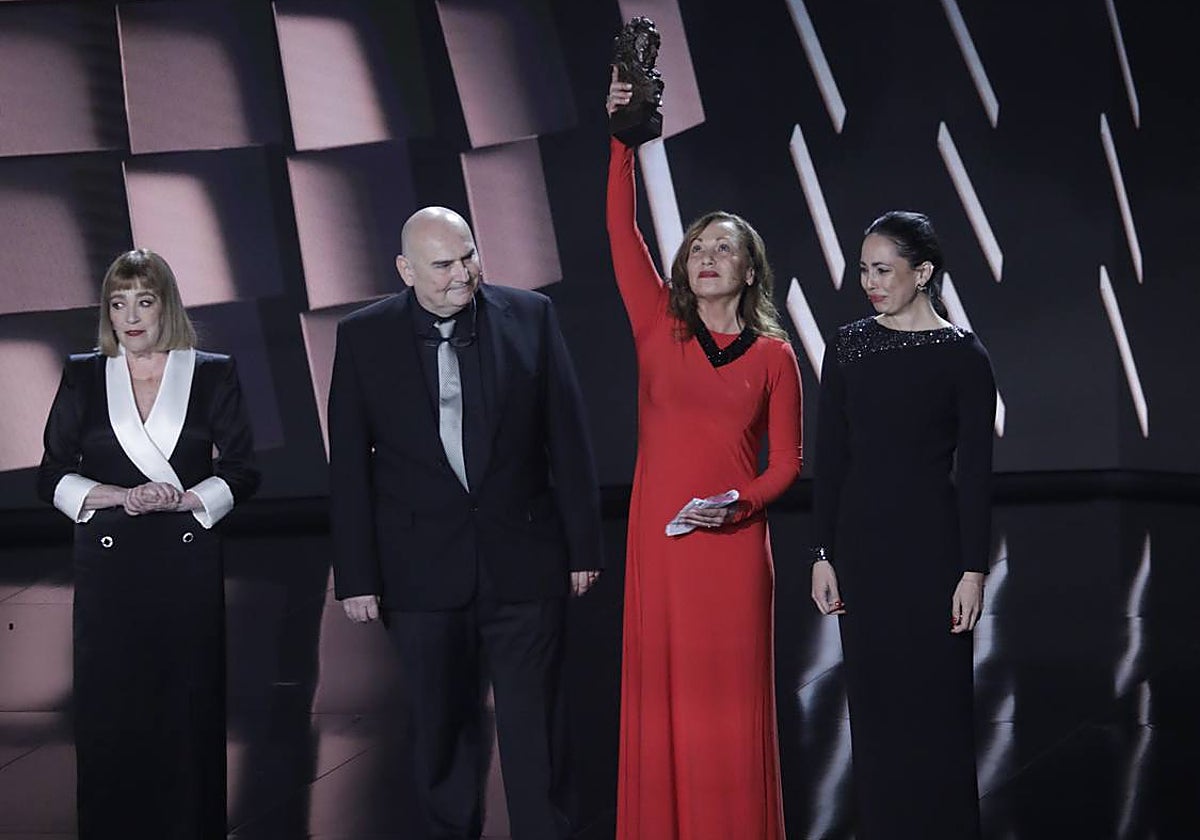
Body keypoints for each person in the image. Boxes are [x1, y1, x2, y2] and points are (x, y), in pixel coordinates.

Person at [327, 206, 603, 840]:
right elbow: (348, 466)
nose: (463, 274)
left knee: (539, 728)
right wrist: (357, 575)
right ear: (405, 269)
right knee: (442, 728)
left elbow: (569, 438)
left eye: (469, 256)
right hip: (419, 572)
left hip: (526, 559)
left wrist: (582, 544)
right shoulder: (364, 335)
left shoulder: (531, 316)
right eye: (443, 264)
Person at [605, 72, 802, 839]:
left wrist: (739, 503)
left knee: (732, 708)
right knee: (667, 703)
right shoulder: (659, 325)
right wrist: (622, 142)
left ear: (749, 269)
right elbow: (623, 234)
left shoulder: (775, 356)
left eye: (725, 248)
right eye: (697, 247)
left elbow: (785, 461)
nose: (707, 256)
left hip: (732, 548)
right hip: (663, 546)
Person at [37, 248, 259, 839]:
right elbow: (51, 473)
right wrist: (114, 494)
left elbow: (242, 470)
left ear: (167, 306)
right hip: (109, 569)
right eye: (118, 303)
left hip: (185, 562)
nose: (131, 316)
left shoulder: (211, 371)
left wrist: (184, 498)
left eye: (144, 301)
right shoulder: (84, 373)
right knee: (111, 711)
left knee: (188, 708)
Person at [810, 211, 996, 838]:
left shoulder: (964, 355)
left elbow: (975, 473)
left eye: (882, 270)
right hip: (863, 553)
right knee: (877, 711)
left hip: (933, 553)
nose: (869, 282)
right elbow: (830, 459)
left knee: (938, 711)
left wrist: (973, 570)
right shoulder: (848, 346)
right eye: (863, 269)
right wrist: (821, 553)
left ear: (923, 272)